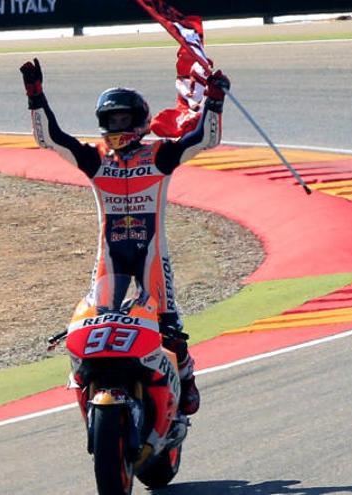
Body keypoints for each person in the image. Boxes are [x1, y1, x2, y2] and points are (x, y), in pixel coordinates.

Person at [19, 58, 230, 415]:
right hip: (110, 256)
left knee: (170, 329)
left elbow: (205, 139)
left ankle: (187, 377)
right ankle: (100, 386)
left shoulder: (160, 154)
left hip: (152, 256)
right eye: (111, 120)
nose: (117, 126)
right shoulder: (95, 159)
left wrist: (214, 99)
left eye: (123, 119)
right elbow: (50, 140)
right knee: (98, 322)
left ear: (140, 122)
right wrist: (35, 94)